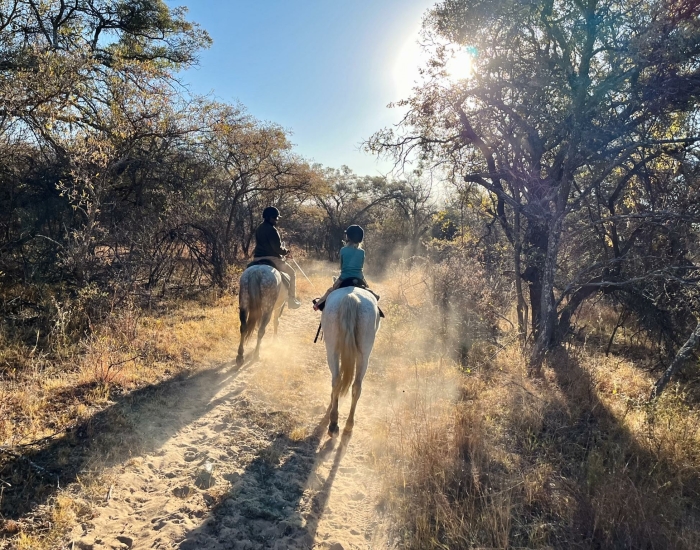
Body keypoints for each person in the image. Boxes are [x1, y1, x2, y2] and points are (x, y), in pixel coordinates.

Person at [313, 224, 374, 311]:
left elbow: (342, 266)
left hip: (344, 277)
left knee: (330, 290)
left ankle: (318, 305)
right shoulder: (362, 252)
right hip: (359, 277)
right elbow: (361, 266)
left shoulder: (343, 250)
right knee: (369, 291)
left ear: (348, 237)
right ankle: (376, 304)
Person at [252, 206, 301, 309]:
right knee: (292, 273)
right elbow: (277, 248)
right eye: (275, 217)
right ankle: (292, 299)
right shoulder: (272, 230)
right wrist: (286, 251)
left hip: (257, 259)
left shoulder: (259, 228)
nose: (276, 220)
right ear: (270, 217)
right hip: (272, 259)